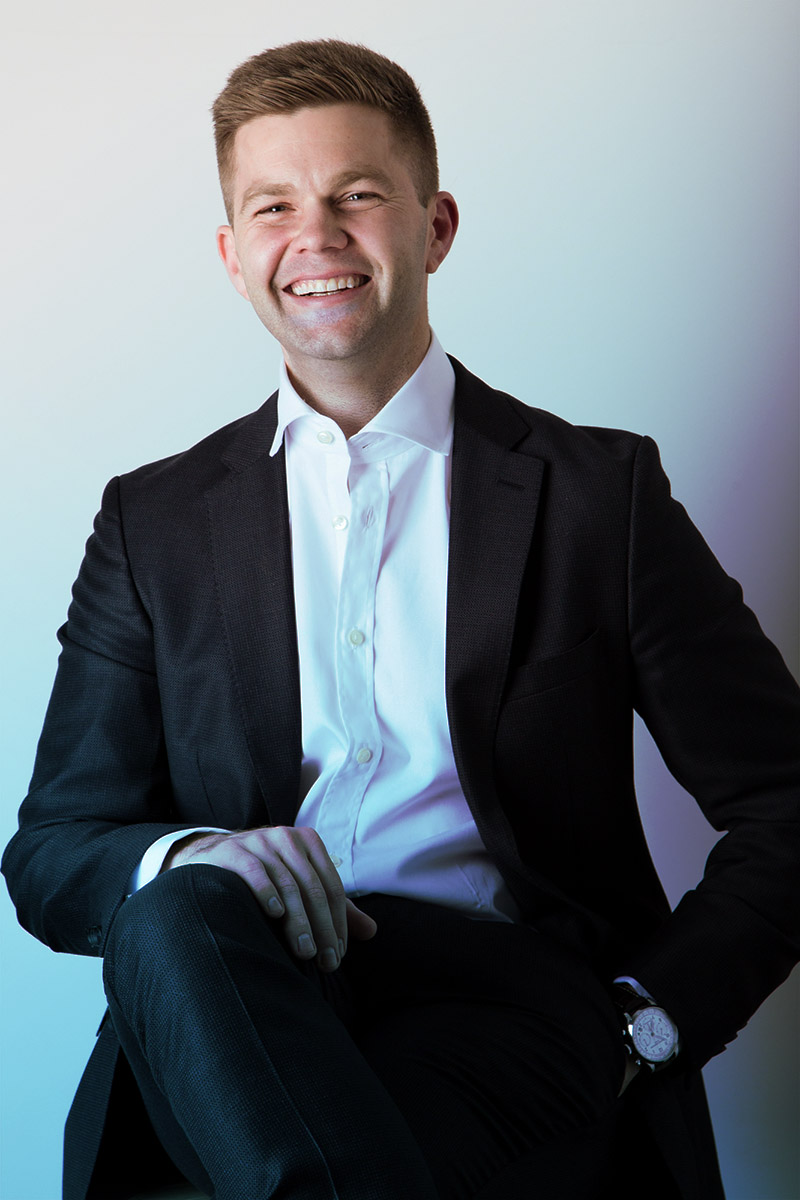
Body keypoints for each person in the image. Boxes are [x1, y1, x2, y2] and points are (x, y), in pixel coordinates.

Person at [3, 38, 799, 1200]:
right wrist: (205, 852)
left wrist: (649, 1026)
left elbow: (782, 800)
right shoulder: (153, 521)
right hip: (239, 997)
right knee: (178, 904)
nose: (314, 236)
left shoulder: (594, 496)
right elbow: (55, 853)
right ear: (232, 257)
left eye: (355, 195)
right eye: (272, 206)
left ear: (434, 227)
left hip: (503, 1005)